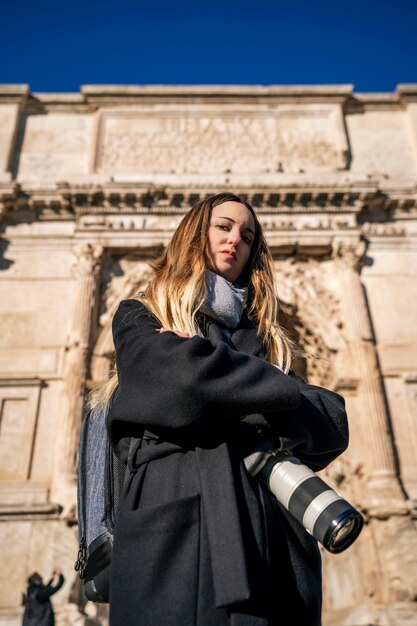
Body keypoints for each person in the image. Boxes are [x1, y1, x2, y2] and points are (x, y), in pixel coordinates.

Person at [95, 192, 349, 625]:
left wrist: (207, 369)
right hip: (179, 536)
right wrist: (283, 393)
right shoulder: (140, 313)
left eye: (248, 236)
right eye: (223, 227)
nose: (236, 240)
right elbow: (181, 381)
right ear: (195, 233)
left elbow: (334, 422)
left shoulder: (270, 337)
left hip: (274, 548)